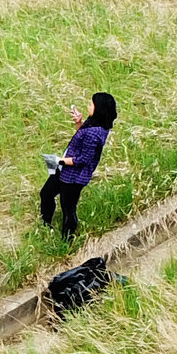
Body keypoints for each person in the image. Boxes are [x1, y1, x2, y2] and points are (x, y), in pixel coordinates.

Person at [41, 91, 116, 244]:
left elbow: (83, 159)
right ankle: (46, 223)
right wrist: (79, 122)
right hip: (64, 170)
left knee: (68, 209)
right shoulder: (95, 122)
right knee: (46, 194)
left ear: (98, 109)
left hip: (73, 177)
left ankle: (66, 240)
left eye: (91, 104)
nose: (88, 106)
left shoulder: (94, 134)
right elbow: (82, 139)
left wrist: (60, 161)